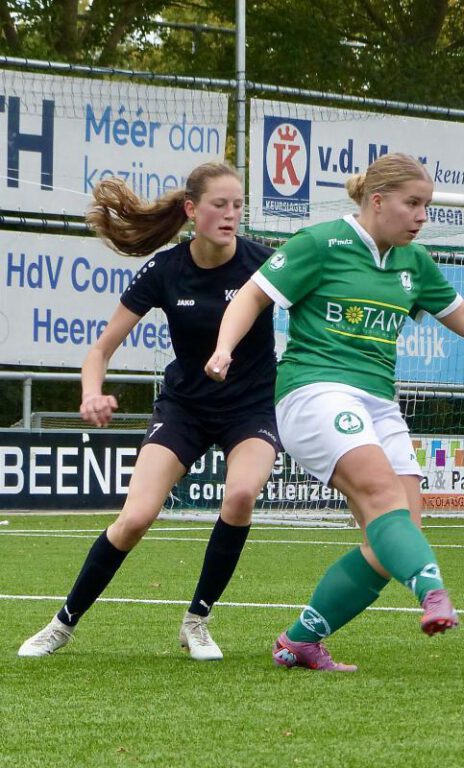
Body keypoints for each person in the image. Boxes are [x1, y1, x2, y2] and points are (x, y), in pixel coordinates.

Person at [205, 152, 464, 672]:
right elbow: (251, 296)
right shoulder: (321, 243)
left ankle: (301, 640)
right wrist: (224, 348)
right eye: (413, 204)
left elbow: (463, 315)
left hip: (377, 401)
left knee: (397, 534)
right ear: (377, 201)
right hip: (315, 392)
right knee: (382, 498)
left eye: (427, 205)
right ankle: (433, 593)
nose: (422, 216)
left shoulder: (412, 262)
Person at [18, 163, 281, 662]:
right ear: (192, 210)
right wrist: (91, 393)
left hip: (251, 407)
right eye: (219, 205)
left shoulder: (265, 263)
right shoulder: (165, 270)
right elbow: (100, 350)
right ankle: (61, 624)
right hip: (185, 408)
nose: (231, 214)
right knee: (135, 518)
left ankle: (197, 621)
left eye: (238, 205)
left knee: (241, 495)